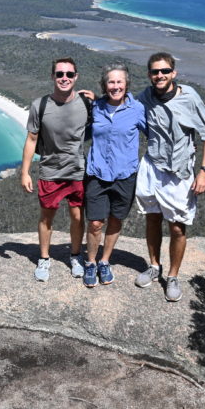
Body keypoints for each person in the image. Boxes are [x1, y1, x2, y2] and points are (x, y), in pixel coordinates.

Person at [134, 52, 205, 302]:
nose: (160, 75)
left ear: (174, 73)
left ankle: (172, 276)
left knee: (177, 227)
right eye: (155, 72)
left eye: (164, 71)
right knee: (152, 218)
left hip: (179, 172)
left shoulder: (189, 98)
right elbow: (124, 106)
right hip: (152, 166)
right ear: (149, 74)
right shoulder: (146, 96)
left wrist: (204, 171)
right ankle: (154, 266)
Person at [20, 57, 91, 282]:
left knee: (78, 217)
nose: (64, 78)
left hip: (78, 170)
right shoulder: (39, 105)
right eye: (60, 74)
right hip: (50, 170)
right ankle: (44, 258)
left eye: (69, 74)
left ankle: (76, 256)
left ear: (76, 77)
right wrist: (24, 172)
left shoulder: (86, 103)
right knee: (46, 217)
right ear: (52, 77)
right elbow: (31, 139)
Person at [82, 64, 147, 288]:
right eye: (111, 82)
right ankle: (90, 262)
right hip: (97, 174)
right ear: (104, 85)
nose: (116, 86)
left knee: (116, 219)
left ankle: (105, 261)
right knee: (95, 223)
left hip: (125, 174)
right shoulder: (96, 107)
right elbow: (79, 130)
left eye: (120, 82)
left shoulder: (137, 109)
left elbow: (155, 134)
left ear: (126, 84)